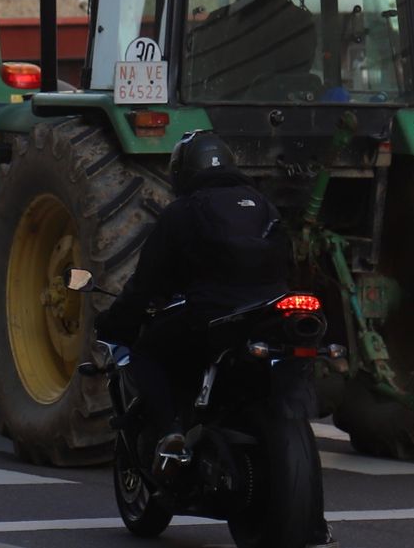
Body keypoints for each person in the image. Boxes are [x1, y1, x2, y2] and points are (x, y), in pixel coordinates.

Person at [95, 131, 334, 548]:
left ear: (183, 170)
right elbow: (287, 260)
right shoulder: (263, 205)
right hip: (271, 311)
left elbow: (145, 285)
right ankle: (314, 525)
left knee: (148, 352)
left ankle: (170, 433)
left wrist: (114, 325)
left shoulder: (183, 212)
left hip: (212, 313)